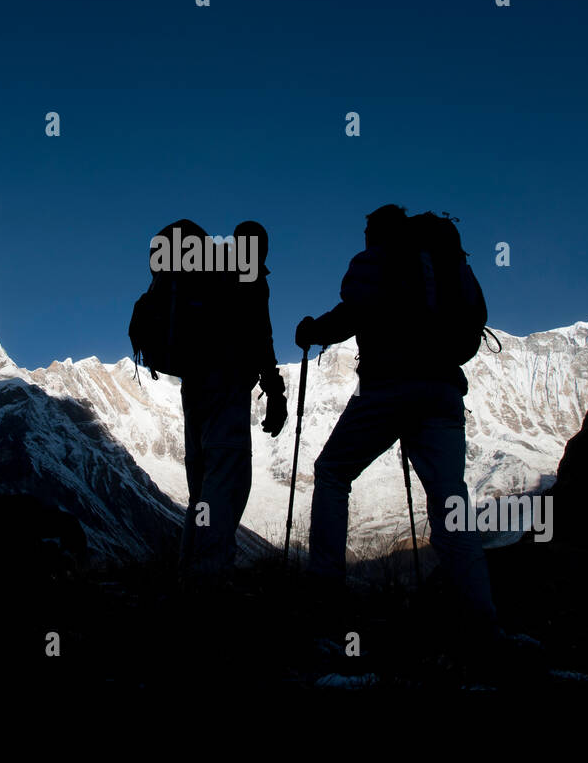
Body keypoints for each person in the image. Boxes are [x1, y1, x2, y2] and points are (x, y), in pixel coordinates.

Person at [294, 204, 497, 633]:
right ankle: (481, 620)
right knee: (450, 503)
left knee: (332, 472)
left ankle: (324, 591)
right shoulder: (445, 264)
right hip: (442, 391)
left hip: (387, 387)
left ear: (377, 232)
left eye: (368, 228)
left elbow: (353, 314)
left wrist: (313, 330)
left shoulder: (376, 260)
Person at [174, 220, 286, 581]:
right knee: (227, 479)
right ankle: (211, 573)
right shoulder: (247, 277)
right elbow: (260, 336)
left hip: (194, 389)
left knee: (202, 487)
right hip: (226, 387)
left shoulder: (205, 273)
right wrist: (275, 392)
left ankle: (188, 572)